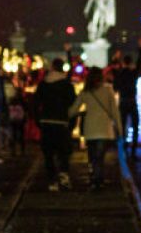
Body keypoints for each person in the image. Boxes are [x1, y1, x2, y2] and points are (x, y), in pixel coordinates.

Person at [68, 66, 119, 191]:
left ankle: (95, 179)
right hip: (105, 129)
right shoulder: (108, 91)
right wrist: (119, 128)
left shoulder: (86, 92)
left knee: (93, 156)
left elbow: (73, 110)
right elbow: (115, 112)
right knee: (100, 157)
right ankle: (98, 180)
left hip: (90, 129)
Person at [33, 59, 76, 190]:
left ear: (52, 68)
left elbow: (35, 104)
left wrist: (38, 120)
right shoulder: (67, 85)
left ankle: (52, 180)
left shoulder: (43, 84)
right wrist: (72, 124)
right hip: (62, 122)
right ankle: (64, 177)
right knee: (63, 152)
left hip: (46, 122)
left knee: (48, 154)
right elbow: (73, 107)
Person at [110, 53, 141, 151]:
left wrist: (115, 60)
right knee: (135, 126)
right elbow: (139, 64)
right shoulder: (133, 73)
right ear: (131, 63)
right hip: (132, 101)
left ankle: (123, 146)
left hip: (123, 102)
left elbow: (114, 71)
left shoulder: (120, 74)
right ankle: (134, 149)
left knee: (122, 126)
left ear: (123, 63)